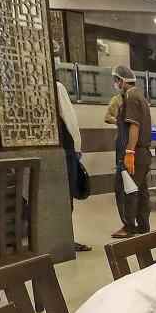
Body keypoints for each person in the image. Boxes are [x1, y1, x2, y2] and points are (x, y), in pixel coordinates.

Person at [111, 66, 153, 238]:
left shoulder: (131, 96)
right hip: (142, 154)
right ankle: (143, 225)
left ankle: (128, 226)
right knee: (140, 190)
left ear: (122, 81)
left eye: (116, 80)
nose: (115, 84)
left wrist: (129, 152)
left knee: (125, 189)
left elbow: (134, 126)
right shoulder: (138, 96)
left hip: (135, 154)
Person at [56, 81, 91, 253]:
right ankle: (64, 240)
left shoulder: (55, 87)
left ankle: (65, 240)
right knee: (63, 199)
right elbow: (70, 119)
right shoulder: (55, 87)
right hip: (63, 151)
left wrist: (76, 147)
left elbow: (68, 119)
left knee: (65, 199)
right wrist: (77, 147)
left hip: (64, 150)